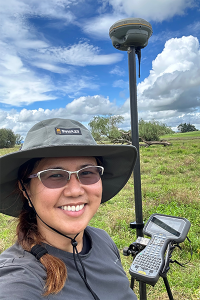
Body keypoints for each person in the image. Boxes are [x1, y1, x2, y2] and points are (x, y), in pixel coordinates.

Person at [0, 118, 138, 300]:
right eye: (55, 175)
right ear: (26, 191)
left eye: (87, 172)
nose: (75, 191)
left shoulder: (102, 240)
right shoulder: (19, 280)